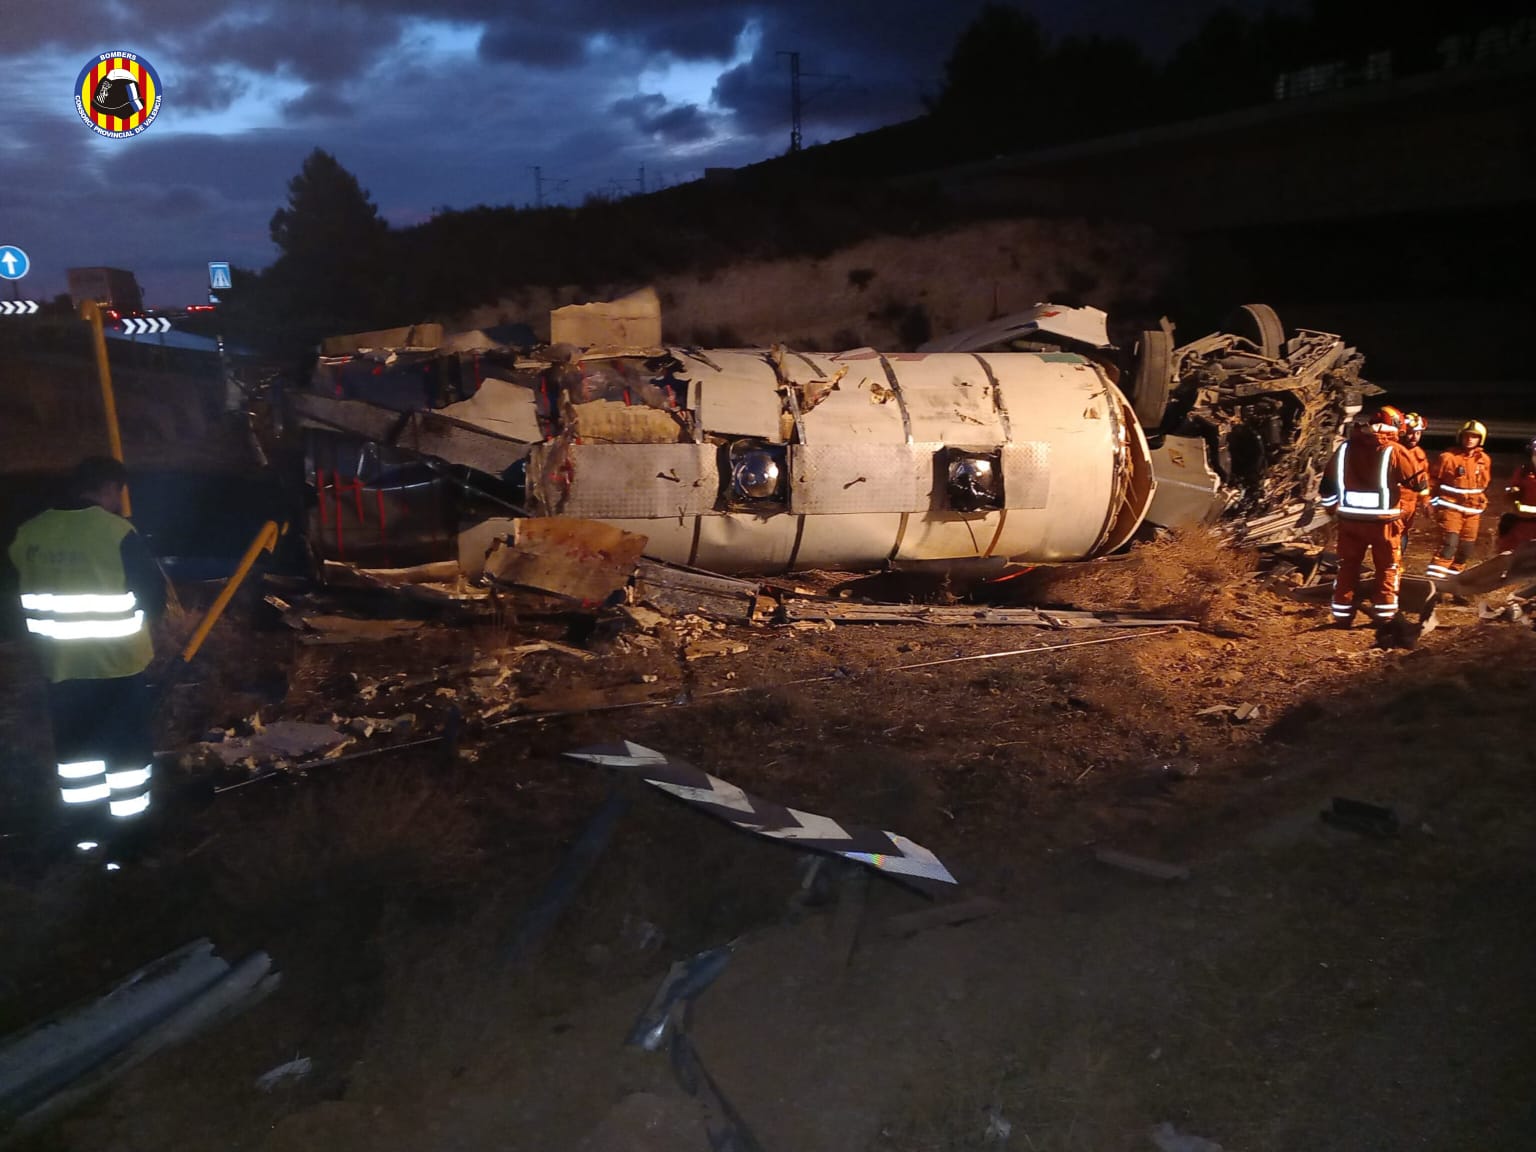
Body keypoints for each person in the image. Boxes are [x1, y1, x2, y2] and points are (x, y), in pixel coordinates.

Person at [7, 456, 165, 856]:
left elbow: (11, 599)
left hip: (60, 670)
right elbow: (153, 597)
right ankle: (129, 847)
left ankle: (86, 841)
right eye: (118, 493)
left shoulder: (30, 532)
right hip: (118, 667)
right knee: (126, 759)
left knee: (78, 759)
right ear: (109, 487)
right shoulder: (116, 532)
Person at [1318, 406, 1425, 626]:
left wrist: (1332, 512)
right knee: (1387, 568)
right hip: (1384, 523)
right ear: (1396, 426)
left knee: (1347, 567)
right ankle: (1385, 616)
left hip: (1349, 521)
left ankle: (1341, 615)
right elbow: (1417, 482)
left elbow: (1327, 486)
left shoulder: (1345, 447)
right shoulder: (1394, 450)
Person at [1427, 420, 1492, 577]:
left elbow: (1483, 485)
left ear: (1480, 439)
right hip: (1450, 508)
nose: (1470, 439)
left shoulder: (1484, 460)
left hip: (1472, 512)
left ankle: (1454, 584)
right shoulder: (1447, 458)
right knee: (1448, 545)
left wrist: (1481, 501)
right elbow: (1431, 481)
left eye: (1474, 437)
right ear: (1460, 437)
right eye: (1467, 436)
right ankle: (1435, 584)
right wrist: (1430, 503)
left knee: (1466, 549)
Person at [1497, 436, 1536, 553]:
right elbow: (1511, 496)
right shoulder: (1523, 472)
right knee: (1513, 554)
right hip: (1522, 523)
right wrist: (1512, 493)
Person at [1398, 413, 1432, 532]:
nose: (1414, 437)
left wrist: (1425, 501)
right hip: (1394, 502)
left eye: (1418, 433)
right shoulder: (1394, 451)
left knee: (1404, 533)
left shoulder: (1420, 455)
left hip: (1410, 504)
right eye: (1411, 432)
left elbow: (1423, 480)